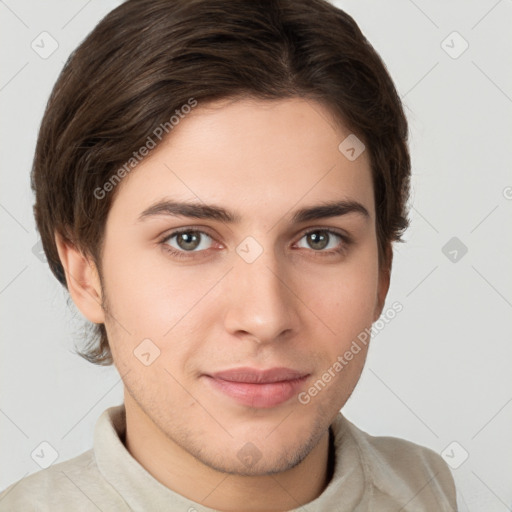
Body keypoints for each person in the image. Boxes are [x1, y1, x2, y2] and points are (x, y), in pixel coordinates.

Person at [0, 0, 458, 510]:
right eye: (189, 239)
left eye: (319, 239)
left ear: (382, 271)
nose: (265, 317)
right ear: (85, 273)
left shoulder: (426, 488)